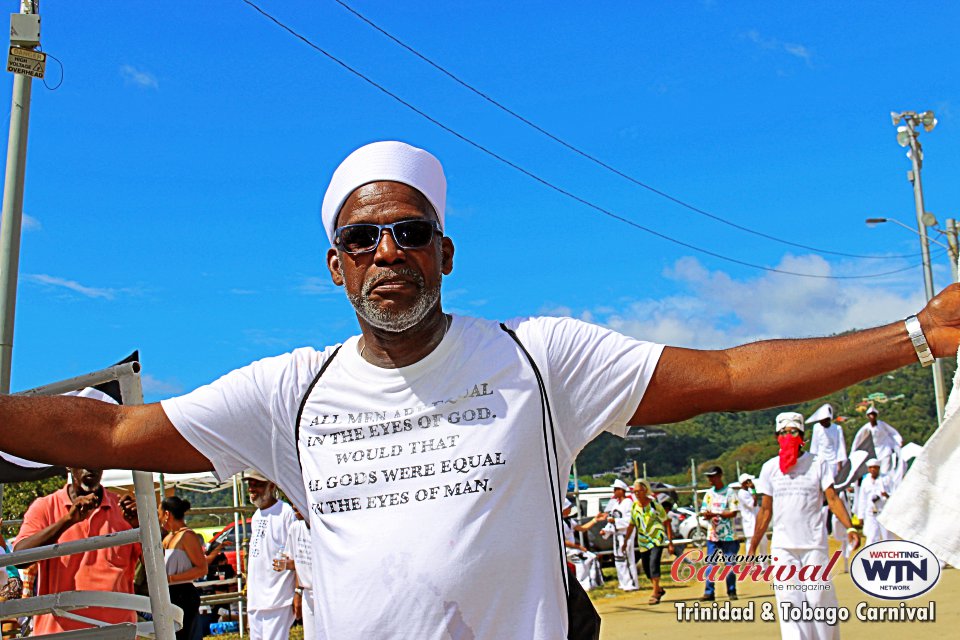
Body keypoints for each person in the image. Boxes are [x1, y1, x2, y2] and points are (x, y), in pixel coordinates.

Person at [3, 140, 960, 639]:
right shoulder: (286, 393)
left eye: (409, 232)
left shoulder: (539, 360)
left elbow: (723, 377)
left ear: (445, 252)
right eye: (363, 238)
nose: (389, 252)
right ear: (334, 267)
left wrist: (916, 332)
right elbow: (115, 435)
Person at [748, 412, 861, 640]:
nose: (788, 436)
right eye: (783, 433)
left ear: (802, 436)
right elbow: (765, 510)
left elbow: (832, 499)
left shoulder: (817, 463)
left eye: (793, 432)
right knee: (789, 601)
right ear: (776, 437)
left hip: (813, 545)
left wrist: (850, 527)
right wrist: (753, 544)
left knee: (818, 598)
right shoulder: (769, 468)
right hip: (783, 547)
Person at [13, 468, 140, 635]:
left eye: (97, 459)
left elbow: (159, 565)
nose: (90, 466)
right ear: (68, 465)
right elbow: (19, 558)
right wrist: (67, 521)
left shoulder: (123, 509)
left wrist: (141, 525)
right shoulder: (45, 507)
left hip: (117, 631)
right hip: (58, 632)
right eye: (82, 459)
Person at [245, 471, 297, 640]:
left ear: (272, 486)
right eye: (250, 484)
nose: (252, 489)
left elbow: (297, 556)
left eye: (258, 484)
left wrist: (298, 591)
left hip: (278, 597)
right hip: (256, 598)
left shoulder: (285, 512)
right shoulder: (256, 516)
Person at [159, 495, 208, 640]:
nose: (159, 519)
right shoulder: (168, 538)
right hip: (170, 593)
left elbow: (202, 568)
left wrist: (171, 578)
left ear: (167, 514)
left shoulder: (187, 536)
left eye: (160, 514)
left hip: (183, 593)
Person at [622, 479, 674, 604]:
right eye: (635, 492)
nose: (637, 494)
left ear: (645, 490)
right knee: (646, 568)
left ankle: (655, 593)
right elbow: (631, 524)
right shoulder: (635, 507)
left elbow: (666, 522)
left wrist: (670, 542)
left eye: (639, 491)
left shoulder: (654, 505)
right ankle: (658, 588)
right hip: (643, 541)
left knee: (653, 563)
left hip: (656, 538)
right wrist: (625, 541)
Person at [699, 465, 739, 601]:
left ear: (720, 476)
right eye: (709, 476)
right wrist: (707, 514)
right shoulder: (709, 494)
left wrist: (716, 513)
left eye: (713, 476)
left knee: (729, 564)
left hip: (728, 535)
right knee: (711, 564)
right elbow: (704, 510)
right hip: (713, 535)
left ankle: (731, 590)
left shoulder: (730, 492)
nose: (710, 479)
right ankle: (709, 591)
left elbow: (733, 512)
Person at [276, 505, 316, 640]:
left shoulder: (321, 527)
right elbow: (297, 562)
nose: (294, 506)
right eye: (293, 503)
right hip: (307, 594)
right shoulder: (295, 528)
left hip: (326, 593)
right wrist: (298, 592)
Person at [851, 406, 904, 486]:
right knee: (875, 471)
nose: (872, 416)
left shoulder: (882, 425)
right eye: (870, 415)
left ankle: (888, 487)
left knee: (886, 471)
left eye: (873, 414)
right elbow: (858, 439)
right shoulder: (866, 428)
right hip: (875, 452)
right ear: (868, 416)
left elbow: (892, 432)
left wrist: (899, 440)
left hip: (885, 450)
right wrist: (854, 452)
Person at [601, 479, 638, 591]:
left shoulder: (628, 503)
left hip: (626, 535)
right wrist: (606, 530)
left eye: (616, 489)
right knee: (619, 559)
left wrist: (616, 522)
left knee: (627, 558)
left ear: (622, 491)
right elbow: (611, 519)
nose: (614, 491)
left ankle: (632, 583)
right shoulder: (615, 504)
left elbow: (630, 520)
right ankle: (623, 582)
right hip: (617, 535)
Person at [561, 499, 605, 591]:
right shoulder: (559, 523)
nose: (570, 509)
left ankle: (593, 582)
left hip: (574, 549)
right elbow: (563, 541)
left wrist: (595, 520)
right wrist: (578, 547)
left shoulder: (570, 521)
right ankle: (581, 585)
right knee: (580, 564)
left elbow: (582, 528)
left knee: (591, 557)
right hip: (567, 550)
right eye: (568, 507)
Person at [855, 458, 893, 546]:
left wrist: (886, 495)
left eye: (875, 467)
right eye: (871, 467)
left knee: (887, 537)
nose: (873, 469)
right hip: (871, 514)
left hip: (884, 512)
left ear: (878, 468)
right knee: (871, 537)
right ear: (868, 469)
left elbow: (895, 494)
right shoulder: (865, 481)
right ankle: (869, 556)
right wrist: (860, 516)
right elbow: (862, 499)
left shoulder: (886, 479)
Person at [737, 473, 768, 569]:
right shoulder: (742, 493)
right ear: (745, 483)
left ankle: (764, 566)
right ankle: (751, 566)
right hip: (751, 523)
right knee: (751, 544)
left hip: (756, 523)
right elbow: (753, 504)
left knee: (763, 542)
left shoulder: (747, 492)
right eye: (749, 481)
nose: (751, 483)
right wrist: (754, 489)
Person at [806, 403, 848, 475]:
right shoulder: (816, 428)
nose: (823, 423)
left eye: (825, 420)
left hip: (833, 462)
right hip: (820, 461)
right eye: (821, 421)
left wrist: (839, 464)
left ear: (829, 419)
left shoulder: (837, 429)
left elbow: (840, 447)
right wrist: (812, 462)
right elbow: (814, 446)